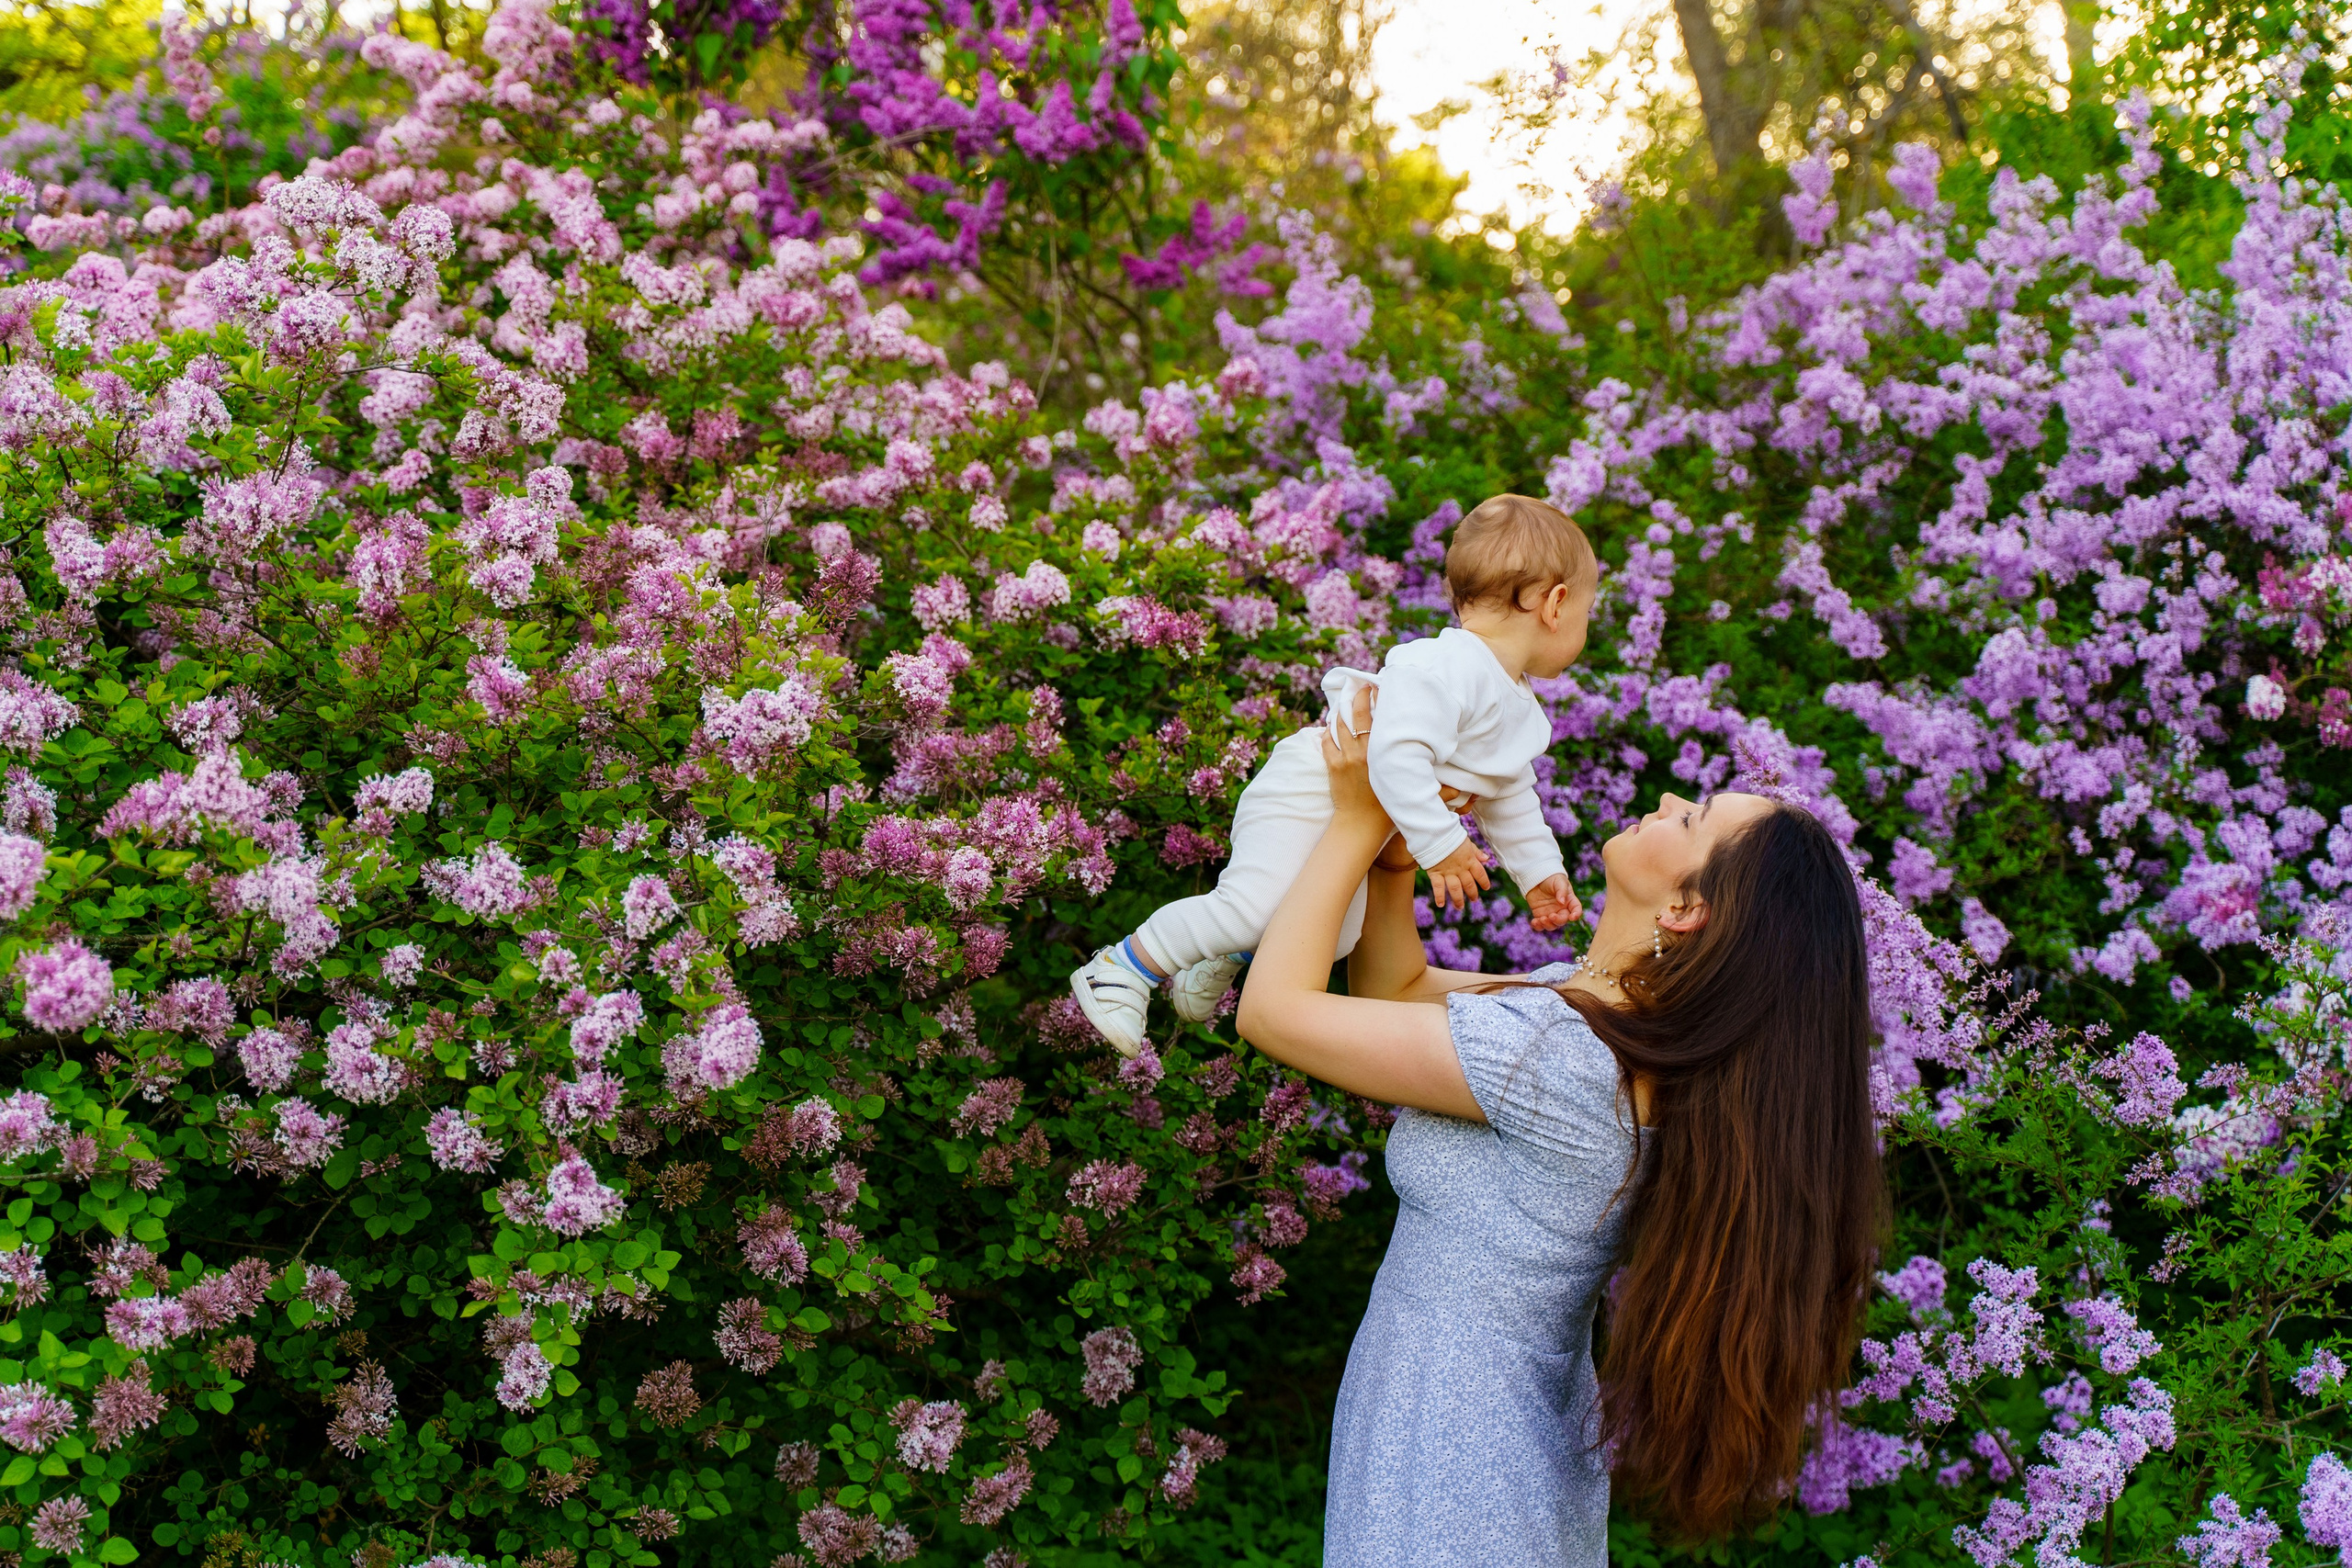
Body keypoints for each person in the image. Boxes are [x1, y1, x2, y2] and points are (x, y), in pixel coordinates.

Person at [1237, 687, 1886, 1566]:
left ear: (1686, 908)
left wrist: (1354, 817)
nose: (1664, 799)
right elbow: (1393, 991)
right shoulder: (1590, 1024)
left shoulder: (1567, 1061)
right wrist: (1395, 857)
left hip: (1459, 1467)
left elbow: (1274, 1012)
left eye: (1688, 817)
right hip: (1472, 1439)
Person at [1069, 494, 1595, 1056]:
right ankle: (1120, 967)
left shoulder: (1510, 697)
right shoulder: (1446, 667)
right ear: (1556, 604)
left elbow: (1510, 793)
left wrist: (1539, 871)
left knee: (1333, 939)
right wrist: (1441, 844)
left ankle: (1222, 953)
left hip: (1351, 812)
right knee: (1250, 908)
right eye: (1589, 613)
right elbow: (1394, 759)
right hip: (1311, 789)